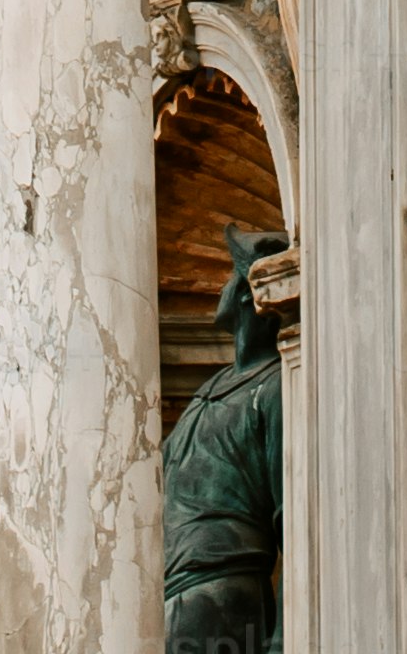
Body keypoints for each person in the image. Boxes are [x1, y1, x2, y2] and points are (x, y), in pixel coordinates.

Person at [161, 231, 287, 651]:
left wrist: (283, 638)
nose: (221, 287)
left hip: (224, 592)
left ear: (248, 295)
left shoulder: (273, 388)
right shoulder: (209, 390)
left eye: (230, 277)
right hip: (172, 593)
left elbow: (292, 519)